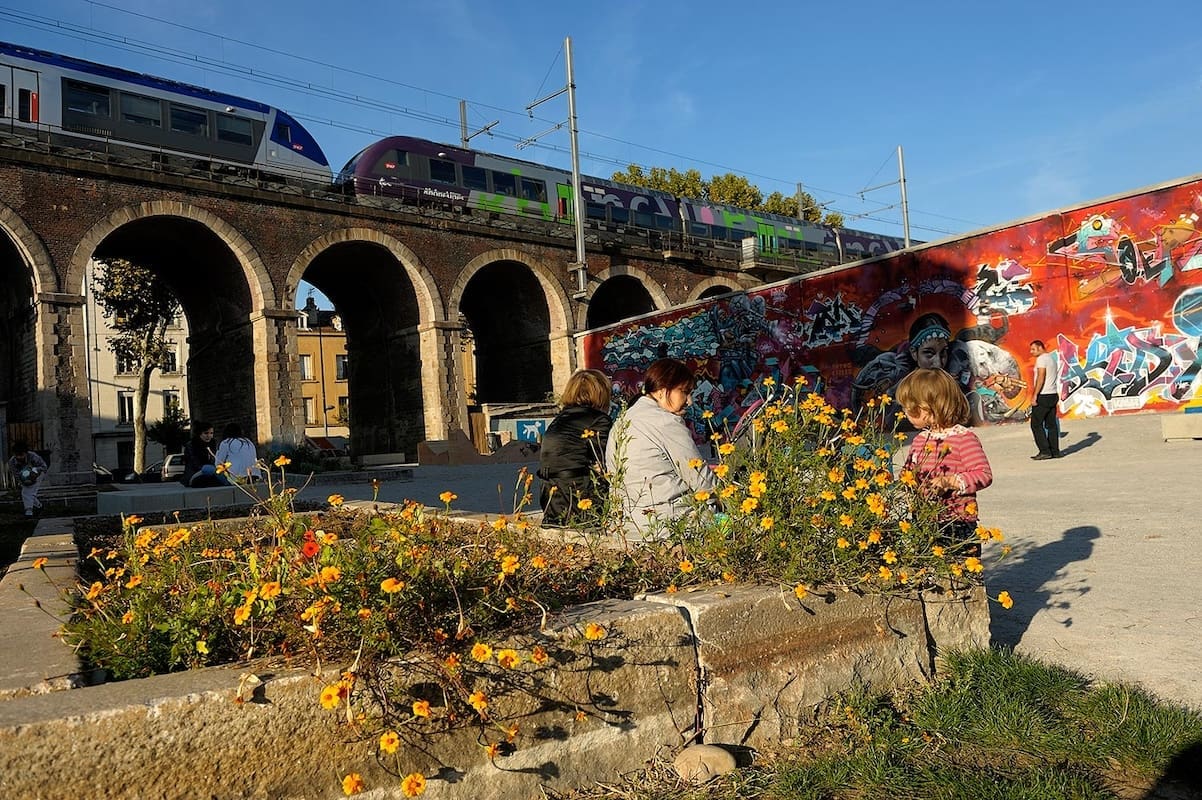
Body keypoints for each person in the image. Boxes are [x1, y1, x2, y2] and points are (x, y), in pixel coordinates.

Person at [604, 358, 718, 538]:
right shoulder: (666, 421)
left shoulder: (623, 420)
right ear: (662, 391)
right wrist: (731, 498)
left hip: (626, 526)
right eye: (685, 392)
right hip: (668, 524)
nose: (689, 401)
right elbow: (700, 479)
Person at [896, 368, 993, 552]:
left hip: (956, 520)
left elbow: (983, 474)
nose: (905, 413)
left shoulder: (963, 438)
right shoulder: (920, 439)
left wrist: (950, 482)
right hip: (924, 519)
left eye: (910, 408)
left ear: (931, 407)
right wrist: (905, 479)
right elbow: (909, 472)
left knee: (960, 566)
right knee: (926, 566)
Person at [537, 369, 613, 526]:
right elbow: (606, 460)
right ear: (602, 394)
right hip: (579, 497)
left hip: (551, 496)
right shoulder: (598, 420)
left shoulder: (560, 419)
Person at [1028, 340, 1061, 460]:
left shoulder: (1041, 359)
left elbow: (1041, 377)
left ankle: (1045, 451)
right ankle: (1055, 451)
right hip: (1053, 394)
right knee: (1051, 424)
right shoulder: (1051, 358)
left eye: (1033, 349)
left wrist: (1035, 395)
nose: (1031, 352)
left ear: (1040, 348)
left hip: (1043, 395)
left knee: (1036, 424)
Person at [8, 441, 47, 517]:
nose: (19, 457)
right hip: (23, 478)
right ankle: (39, 506)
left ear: (26, 453)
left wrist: (34, 471)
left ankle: (29, 511)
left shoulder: (33, 456)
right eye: (17, 455)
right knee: (28, 492)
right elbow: (16, 474)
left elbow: (44, 467)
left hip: (38, 474)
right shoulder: (12, 462)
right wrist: (22, 482)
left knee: (26, 492)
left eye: (21, 455)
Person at [179, 421, 220, 487]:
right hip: (195, 473)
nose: (209, 436)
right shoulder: (192, 445)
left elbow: (215, 459)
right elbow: (194, 463)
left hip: (210, 471)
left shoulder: (212, 443)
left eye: (211, 433)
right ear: (200, 433)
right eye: (206, 433)